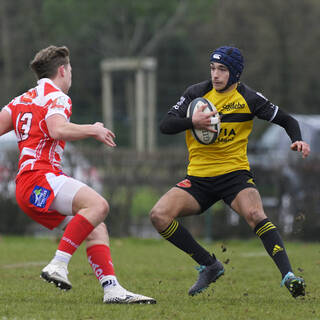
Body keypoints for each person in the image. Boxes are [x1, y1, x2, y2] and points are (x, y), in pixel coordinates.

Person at [149, 46, 310, 298]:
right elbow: (166, 125)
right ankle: (210, 264)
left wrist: (298, 139)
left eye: (222, 69)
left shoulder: (250, 99)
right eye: (212, 68)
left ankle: (289, 275)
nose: (215, 75)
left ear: (235, 73)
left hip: (234, 176)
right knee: (159, 215)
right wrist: (193, 122)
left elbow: (288, 120)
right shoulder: (196, 94)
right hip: (199, 179)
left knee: (256, 214)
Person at [0, 45, 155, 304]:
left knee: (96, 225)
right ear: (63, 70)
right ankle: (58, 264)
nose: (71, 74)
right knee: (99, 205)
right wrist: (93, 129)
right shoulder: (58, 97)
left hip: (26, 188)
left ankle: (112, 288)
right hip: (42, 177)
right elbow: (57, 129)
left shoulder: (21, 100)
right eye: (70, 69)